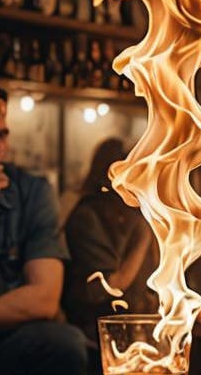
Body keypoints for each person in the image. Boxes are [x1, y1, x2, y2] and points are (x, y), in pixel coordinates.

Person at [0, 75, 86, 374]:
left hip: (7, 340)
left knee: (64, 342)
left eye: (2, 135)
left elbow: (44, 299)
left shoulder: (31, 191)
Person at [63, 138, 159, 345]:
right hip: (103, 337)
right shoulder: (88, 217)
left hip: (142, 331)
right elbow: (111, 286)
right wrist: (144, 236)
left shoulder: (134, 215)